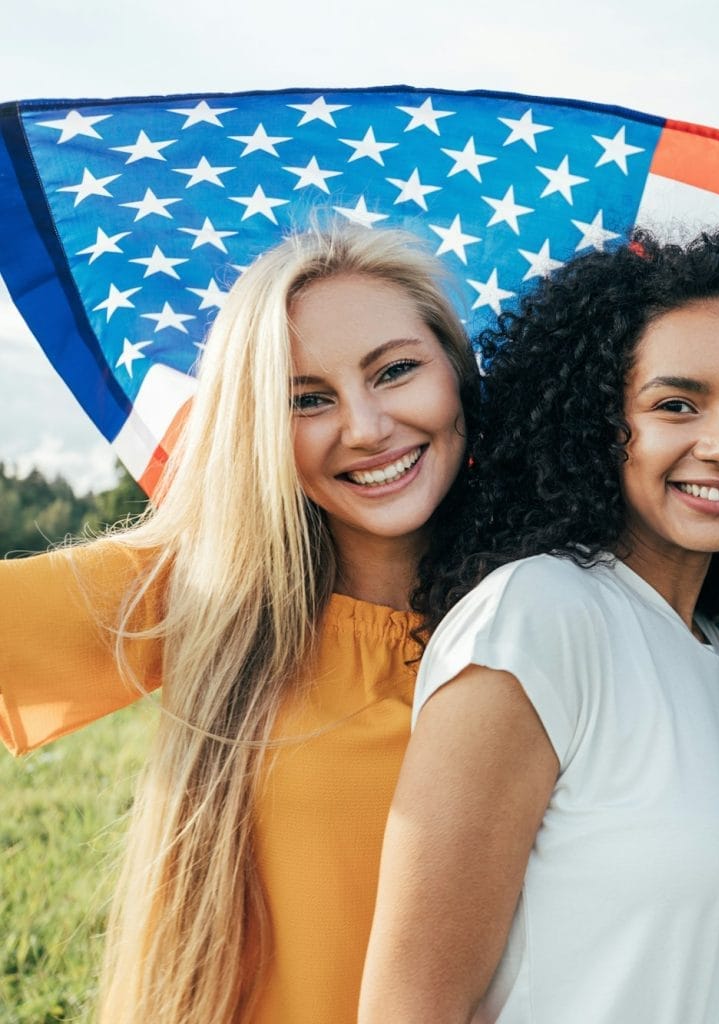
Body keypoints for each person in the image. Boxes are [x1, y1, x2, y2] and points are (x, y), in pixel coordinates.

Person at [357, 230, 719, 1023]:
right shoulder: (535, 617)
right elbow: (411, 1007)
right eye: (677, 405)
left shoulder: (713, 654)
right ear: (597, 425)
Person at [0, 225, 478, 1024]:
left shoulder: (557, 603)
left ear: (459, 377)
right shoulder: (200, 585)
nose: (364, 427)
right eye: (307, 399)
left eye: (396, 371)